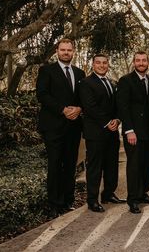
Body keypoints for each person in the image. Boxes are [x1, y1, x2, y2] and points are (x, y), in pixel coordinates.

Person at [36, 38, 85, 216]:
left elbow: (83, 98)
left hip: (73, 127)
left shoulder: (80, 73)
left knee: (70, 165)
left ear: (73, 52)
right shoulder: (46, 70)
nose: (66, 53)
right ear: (57, 51)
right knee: (55, 164)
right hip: (53, 126)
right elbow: (42, 95)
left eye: (69, 50)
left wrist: (79, 108)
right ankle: (54, 204)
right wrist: (63, 110)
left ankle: (67, 201)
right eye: (63, 50)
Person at [79, 54, 125, 213]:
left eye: (105, 63)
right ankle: (92, 200)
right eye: (98, 63)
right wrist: (108, 122)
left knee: (111, 165)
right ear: (93, 65)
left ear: (108, 65)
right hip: (95, 133)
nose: (102, 65)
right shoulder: (86, 83)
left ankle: (108, 194)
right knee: (95, 168)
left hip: (112, 133)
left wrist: (117, 120)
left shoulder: (112, 83)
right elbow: (90, 107)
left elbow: (118, 105)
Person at [116, 51, 149, 214]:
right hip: (134, 131)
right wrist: (129, 130)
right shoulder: (126, 81)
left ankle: (142, 193)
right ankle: (132, 199)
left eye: (144, 60)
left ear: (148, 62)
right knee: (134, 165)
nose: (141, 63)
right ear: (134, 62)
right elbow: (123, 107)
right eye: (138, 60)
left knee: (146, 164)